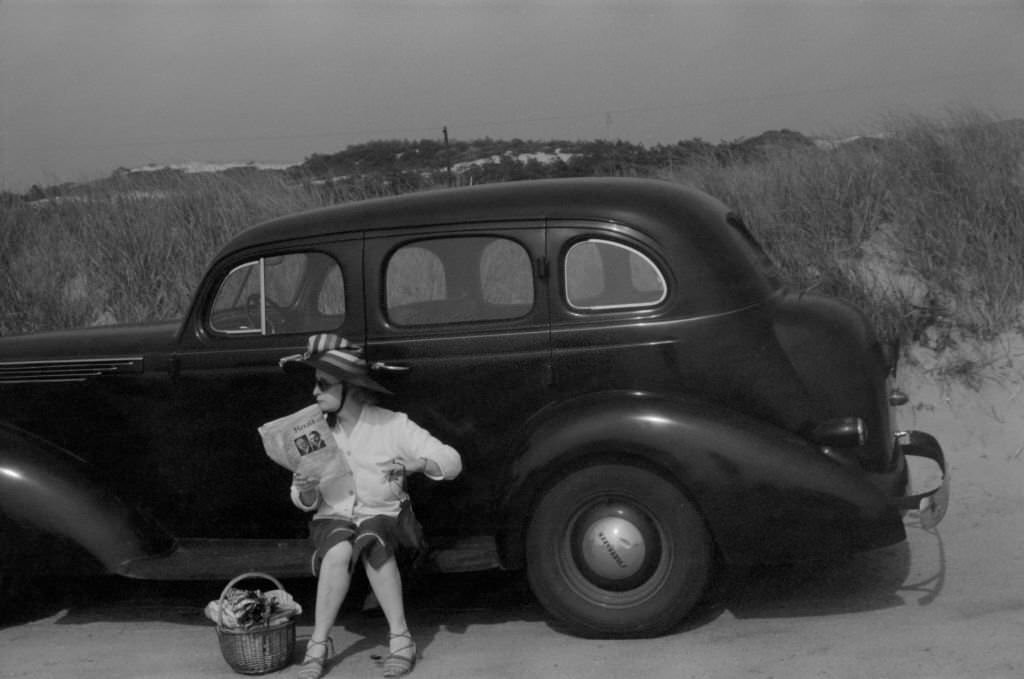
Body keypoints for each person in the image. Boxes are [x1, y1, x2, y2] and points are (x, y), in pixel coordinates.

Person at [280, 334, 462, 679]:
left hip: (384, 520)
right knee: (337, 550)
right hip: (333, 520)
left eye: (322, 384)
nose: (314, 392)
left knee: (372, 538)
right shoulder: (316, 434)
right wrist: (305, 489)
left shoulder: (391, 425)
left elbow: (451, 461)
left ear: (348, 387)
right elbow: (303, 500)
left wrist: (419, 464)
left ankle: (400, 638)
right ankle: (319, 643)